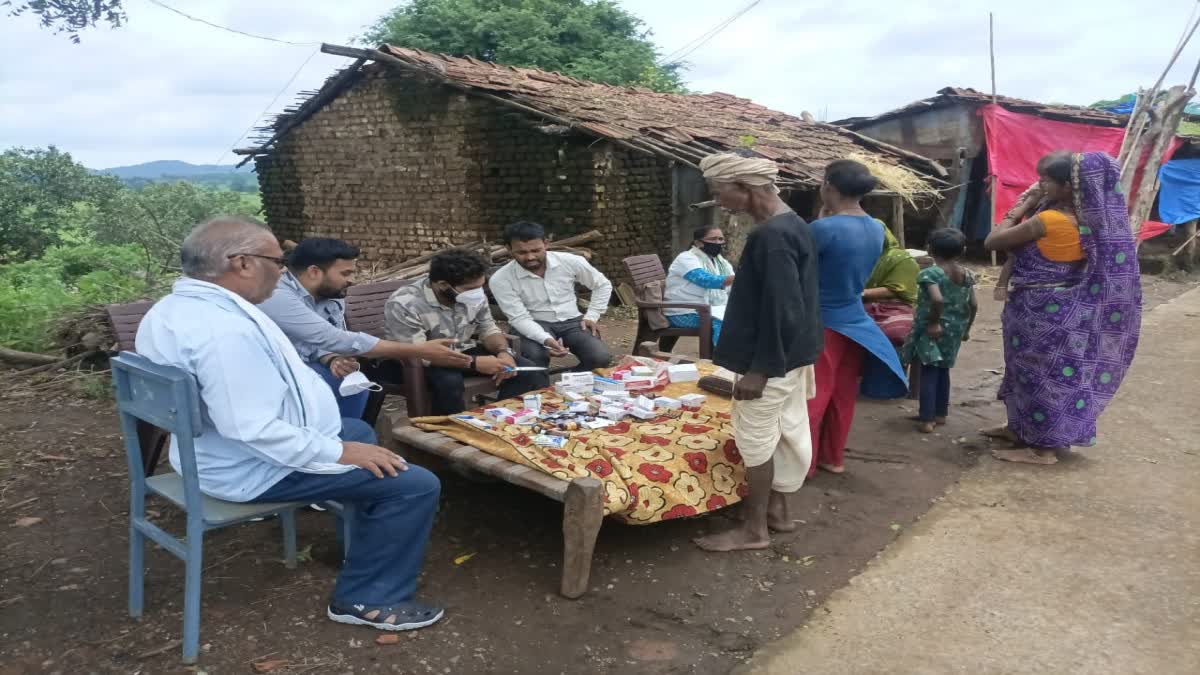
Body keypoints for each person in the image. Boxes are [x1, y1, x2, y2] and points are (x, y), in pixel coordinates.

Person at [136, 217, 444, 631]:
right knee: (414, 484)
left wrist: (338, 437)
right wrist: (337, 452)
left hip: (211, 454)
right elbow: (250, 429)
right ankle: (368, 597)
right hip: (250, 467)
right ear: (242, 263)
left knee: (358, 432)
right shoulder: (223, 331)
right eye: (277, 260)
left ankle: (364, 545)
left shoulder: (174, 308)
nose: (283, 270)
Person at [690, 152, 823, 553]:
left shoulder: (771, 236)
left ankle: (753, 531)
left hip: (773, 361)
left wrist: (759, 370)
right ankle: (776, 514)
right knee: (780, 431)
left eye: (719, 191)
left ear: (744, 188)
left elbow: (783, 309)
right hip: (795, 353)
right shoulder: (791, 223)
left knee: (755, 440)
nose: (718, 201)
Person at [984, 151, 1142, 465]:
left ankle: (1042, 450)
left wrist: (1019, 207)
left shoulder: (1048, 220)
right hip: (1063, 309)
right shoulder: (1093, 223)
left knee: (1040, 376)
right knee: (1036, 372)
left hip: (1040, 311)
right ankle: (1021, 429)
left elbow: (993, 241)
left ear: (1069, 187)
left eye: (1045, 179)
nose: (1039, 184)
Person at [258, 237, 469, 419]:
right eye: (345, 273)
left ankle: (348, 437)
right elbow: (330, 336)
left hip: (307, 360)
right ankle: (328, 441)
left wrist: (331, 357)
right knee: (323, 387)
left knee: (354, 384)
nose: (351, 280)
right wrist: (417, 350)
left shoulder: (329, 293)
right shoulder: (276, 294)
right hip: (273, 370)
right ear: (314, 271)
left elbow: (315, 339)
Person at [806, 160, 908, 476]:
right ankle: (832, 457)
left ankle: (803, 466)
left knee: (813, 395)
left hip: (822, 322)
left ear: (829, 187)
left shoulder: (820, 229)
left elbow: (803, 272)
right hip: (857, 323)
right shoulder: (876, 228)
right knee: (842, 394)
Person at [384, 248, 549, 415]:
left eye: (481, 286)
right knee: (449, 382)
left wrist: (504, 352)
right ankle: (446, 431)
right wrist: (474, 363)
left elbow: (488, 328)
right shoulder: (405, 303)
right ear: (443, 285)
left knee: (524, 370)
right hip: (418, 361)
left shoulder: (472, 294)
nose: (478, 293)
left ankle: (498, 419)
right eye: (471, 288)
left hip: (462, 351)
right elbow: (419, 353)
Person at [489, 221, 613, 372]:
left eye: (536, 250)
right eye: (521, 252)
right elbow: (519, 318)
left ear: (546, 244)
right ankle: (538, 390)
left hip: (572, 321)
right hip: (532, 322)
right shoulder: (501, 279)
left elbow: (602, 285)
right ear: (509, 249)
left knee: (599, 357)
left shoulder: (570, 261)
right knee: (535, 360)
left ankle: (569, 384)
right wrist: (546, 339)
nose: (530, 257)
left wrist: (592, 316)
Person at [900, 229, 978, 433]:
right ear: (963, 251)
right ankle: (940, 414)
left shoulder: (930, 274)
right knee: (943, 370)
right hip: (954, 331)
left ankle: (927, 419)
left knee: (929, 370)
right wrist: (967, 329)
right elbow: (974, 304)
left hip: (932, 330)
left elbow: (937, 299)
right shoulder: (967, 275)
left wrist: (934, 322)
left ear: (929, 249)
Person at [663, 226, 735, 346]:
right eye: (713, 239)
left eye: (720, 239)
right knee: (725, 322)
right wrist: (743, 276)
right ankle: (719, 360)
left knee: (743, 316)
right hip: (683, 312)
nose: (718, 243)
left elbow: (732, 284)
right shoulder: (686, 258)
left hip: (708, 309)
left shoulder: (720, 261)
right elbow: (706, 280)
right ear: (698, 242)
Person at [863, 220, 920, 344]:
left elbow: (896, 289)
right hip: (861, 308)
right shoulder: (857, 256)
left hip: (896, 309)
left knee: (893, 334)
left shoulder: (901, 259)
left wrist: (861, 293)